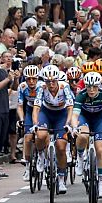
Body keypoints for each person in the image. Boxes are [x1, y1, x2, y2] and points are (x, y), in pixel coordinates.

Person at [31, 65, 73, 193]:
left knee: (61, 147)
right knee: (41, 135)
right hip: (46, 113)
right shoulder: (41, 88)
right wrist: (35, 123)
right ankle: (40, 154)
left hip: (61, 114)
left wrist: (68, 123)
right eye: (48, 81)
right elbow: (36, 108)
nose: (51, 84)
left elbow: (70, 107)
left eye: (53, 81)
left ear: (57, 80)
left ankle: (61, 179)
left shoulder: (64, 86)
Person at [70, 72, 102, 199]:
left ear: (99, 86)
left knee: (100, 149)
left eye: (94, 87)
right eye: (88, 87)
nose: (91, 90)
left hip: (100, 119)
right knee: (82, 136)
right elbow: (75, 115)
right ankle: (81, 157)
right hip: (85, 118)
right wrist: (74, 127)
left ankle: (101, 184)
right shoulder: (81, 95)